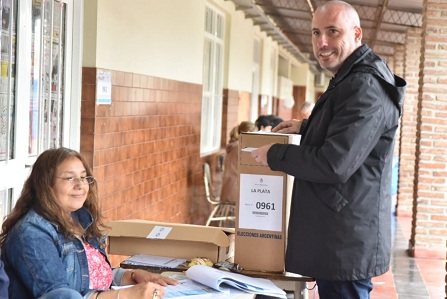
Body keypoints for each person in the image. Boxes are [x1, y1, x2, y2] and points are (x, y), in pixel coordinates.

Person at [251, 1, 406, 298]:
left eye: (332, 32)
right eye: (316, 32)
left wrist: (274, 155)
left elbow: (334, 163)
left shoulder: (365, 85)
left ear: (357, 34)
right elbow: (348, 134)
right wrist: (306, 127)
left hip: (345, 240)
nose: (322, 42)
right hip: (338, 234)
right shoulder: (351, 78)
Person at [0, 147, 177, 299]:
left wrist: (130, 276)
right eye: (70, 178)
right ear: (45, 185)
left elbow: (89, 276)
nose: (80, 185)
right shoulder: (32, 232)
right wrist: (125, 295)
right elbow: (60, 295)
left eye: (84, 178)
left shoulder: (79, 218)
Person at [220, 121, 257, 204]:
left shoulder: (236, 145)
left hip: (230, 188)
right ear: (248, 133)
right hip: (235, 193)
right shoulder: (240, 147)